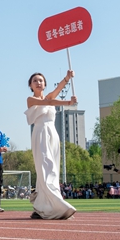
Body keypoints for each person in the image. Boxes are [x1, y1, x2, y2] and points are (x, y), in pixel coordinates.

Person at [24, 71, 77, 220]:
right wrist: (68, 103)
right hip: (40, 133)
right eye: (35, 81)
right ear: (30, 85)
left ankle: (42, 207)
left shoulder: (49, 97)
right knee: (46, 168)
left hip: (53, 135)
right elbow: (49, 103)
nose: (38, 83)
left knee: (53, 168)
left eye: (41, 80)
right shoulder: (31, 99)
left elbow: (57, 90)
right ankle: (58, 205)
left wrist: (67, 78)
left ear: (45, 84)